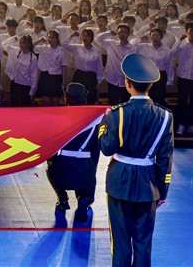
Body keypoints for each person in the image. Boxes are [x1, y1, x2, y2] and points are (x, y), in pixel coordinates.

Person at [98, 53, 174, 267]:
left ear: (127, 84)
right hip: (148, 185)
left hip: (119, 182)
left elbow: (106, 148)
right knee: (143, 243)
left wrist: (103, 125)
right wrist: (162, 191)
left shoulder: (116, 114)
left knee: (120, 243)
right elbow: (165, 158)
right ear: (150, 85)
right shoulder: (165, 116)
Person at [46, 82, 100, 222]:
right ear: (85, 100)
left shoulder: (58, 118)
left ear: (66, 99)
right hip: (85, 168)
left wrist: (53, 162)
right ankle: (84, 200)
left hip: (63, 167)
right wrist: (92, 167)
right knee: (88, 182)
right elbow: (96, 149)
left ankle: (62, 199)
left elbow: (51, 146)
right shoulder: (94, 120)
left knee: (50, 170)